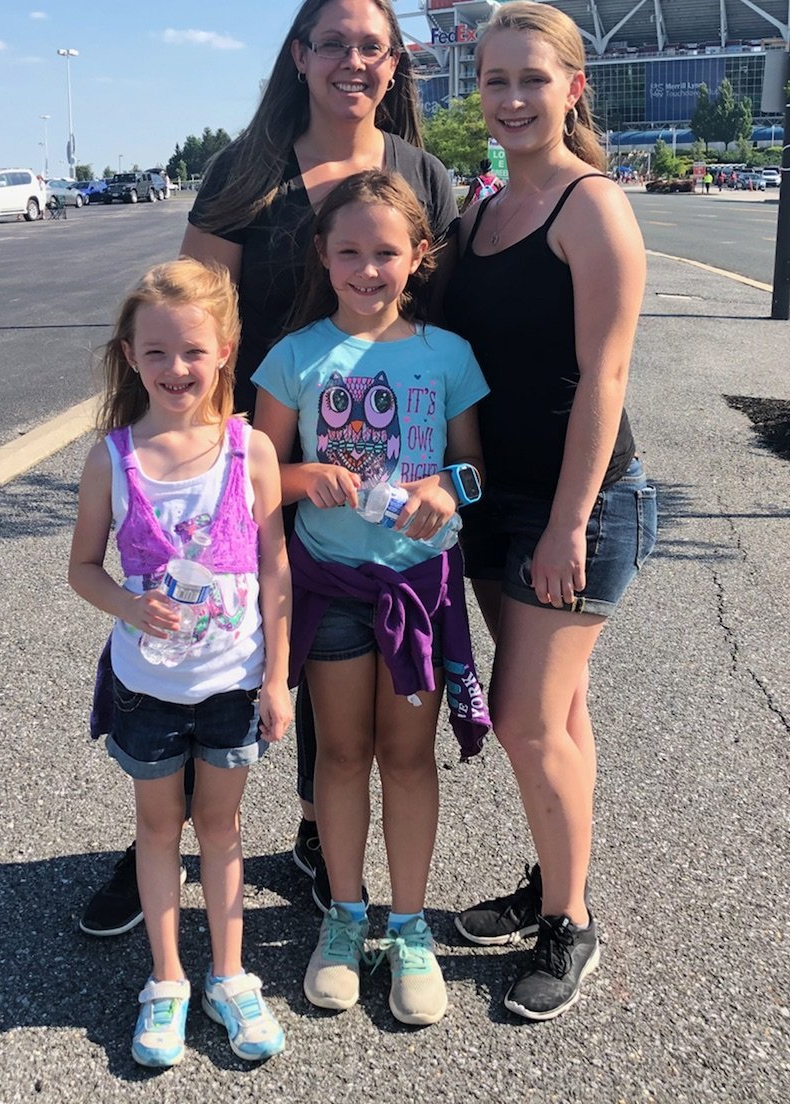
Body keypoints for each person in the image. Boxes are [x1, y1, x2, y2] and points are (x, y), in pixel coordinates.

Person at [74, 0, 460, 934]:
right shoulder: (248, 170)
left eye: (371, 46)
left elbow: (441, 325)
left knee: (322, 656)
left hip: (370, 480)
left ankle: (314, 833)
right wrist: (186, 449)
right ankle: (162, 832)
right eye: (332, 43)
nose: (351, 62)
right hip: (246, 456)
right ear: (299, 56)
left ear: (395, 62)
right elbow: (190, 315)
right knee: (199, 638)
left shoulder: (423, 177)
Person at [442, 1, 657, 1022]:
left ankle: (570, 924)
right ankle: (553, 880)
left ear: (573, 89)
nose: (513, 98)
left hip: (582, 501)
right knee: (557, 716)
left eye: (533, 78)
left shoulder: (591, 207)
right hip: (496, 499)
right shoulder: (481, 211)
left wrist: (570, 523)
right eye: (496, 79)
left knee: (525, 716)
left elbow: (605, 377)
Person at [253, 169, 489, 1027]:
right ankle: (345, 916)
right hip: (330, 586)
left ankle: (410, 925)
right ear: (322, 255)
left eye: (385, 252)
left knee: (409, 758)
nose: (366, 269)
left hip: (419, 589)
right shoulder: (292, 358)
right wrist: (301, 477)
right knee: (343, 755)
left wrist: (447, 490)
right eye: (348, 251)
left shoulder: (448, 354)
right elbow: (257, 479)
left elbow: (472, 467)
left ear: (419, 255)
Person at [67, 259, 293, 1066]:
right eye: (156, 352)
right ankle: (166, 980)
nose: (176, 368)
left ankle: (231, 976)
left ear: (225, 351)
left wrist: (276, 678)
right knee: (159, 829)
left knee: (222, 830)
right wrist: (128, 607)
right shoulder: (112, 460)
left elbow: (275, 570)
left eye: (193, 351)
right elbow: (82, 568)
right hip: (148, 690)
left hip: (232, 684)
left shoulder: (250, 451)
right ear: (130, 356)